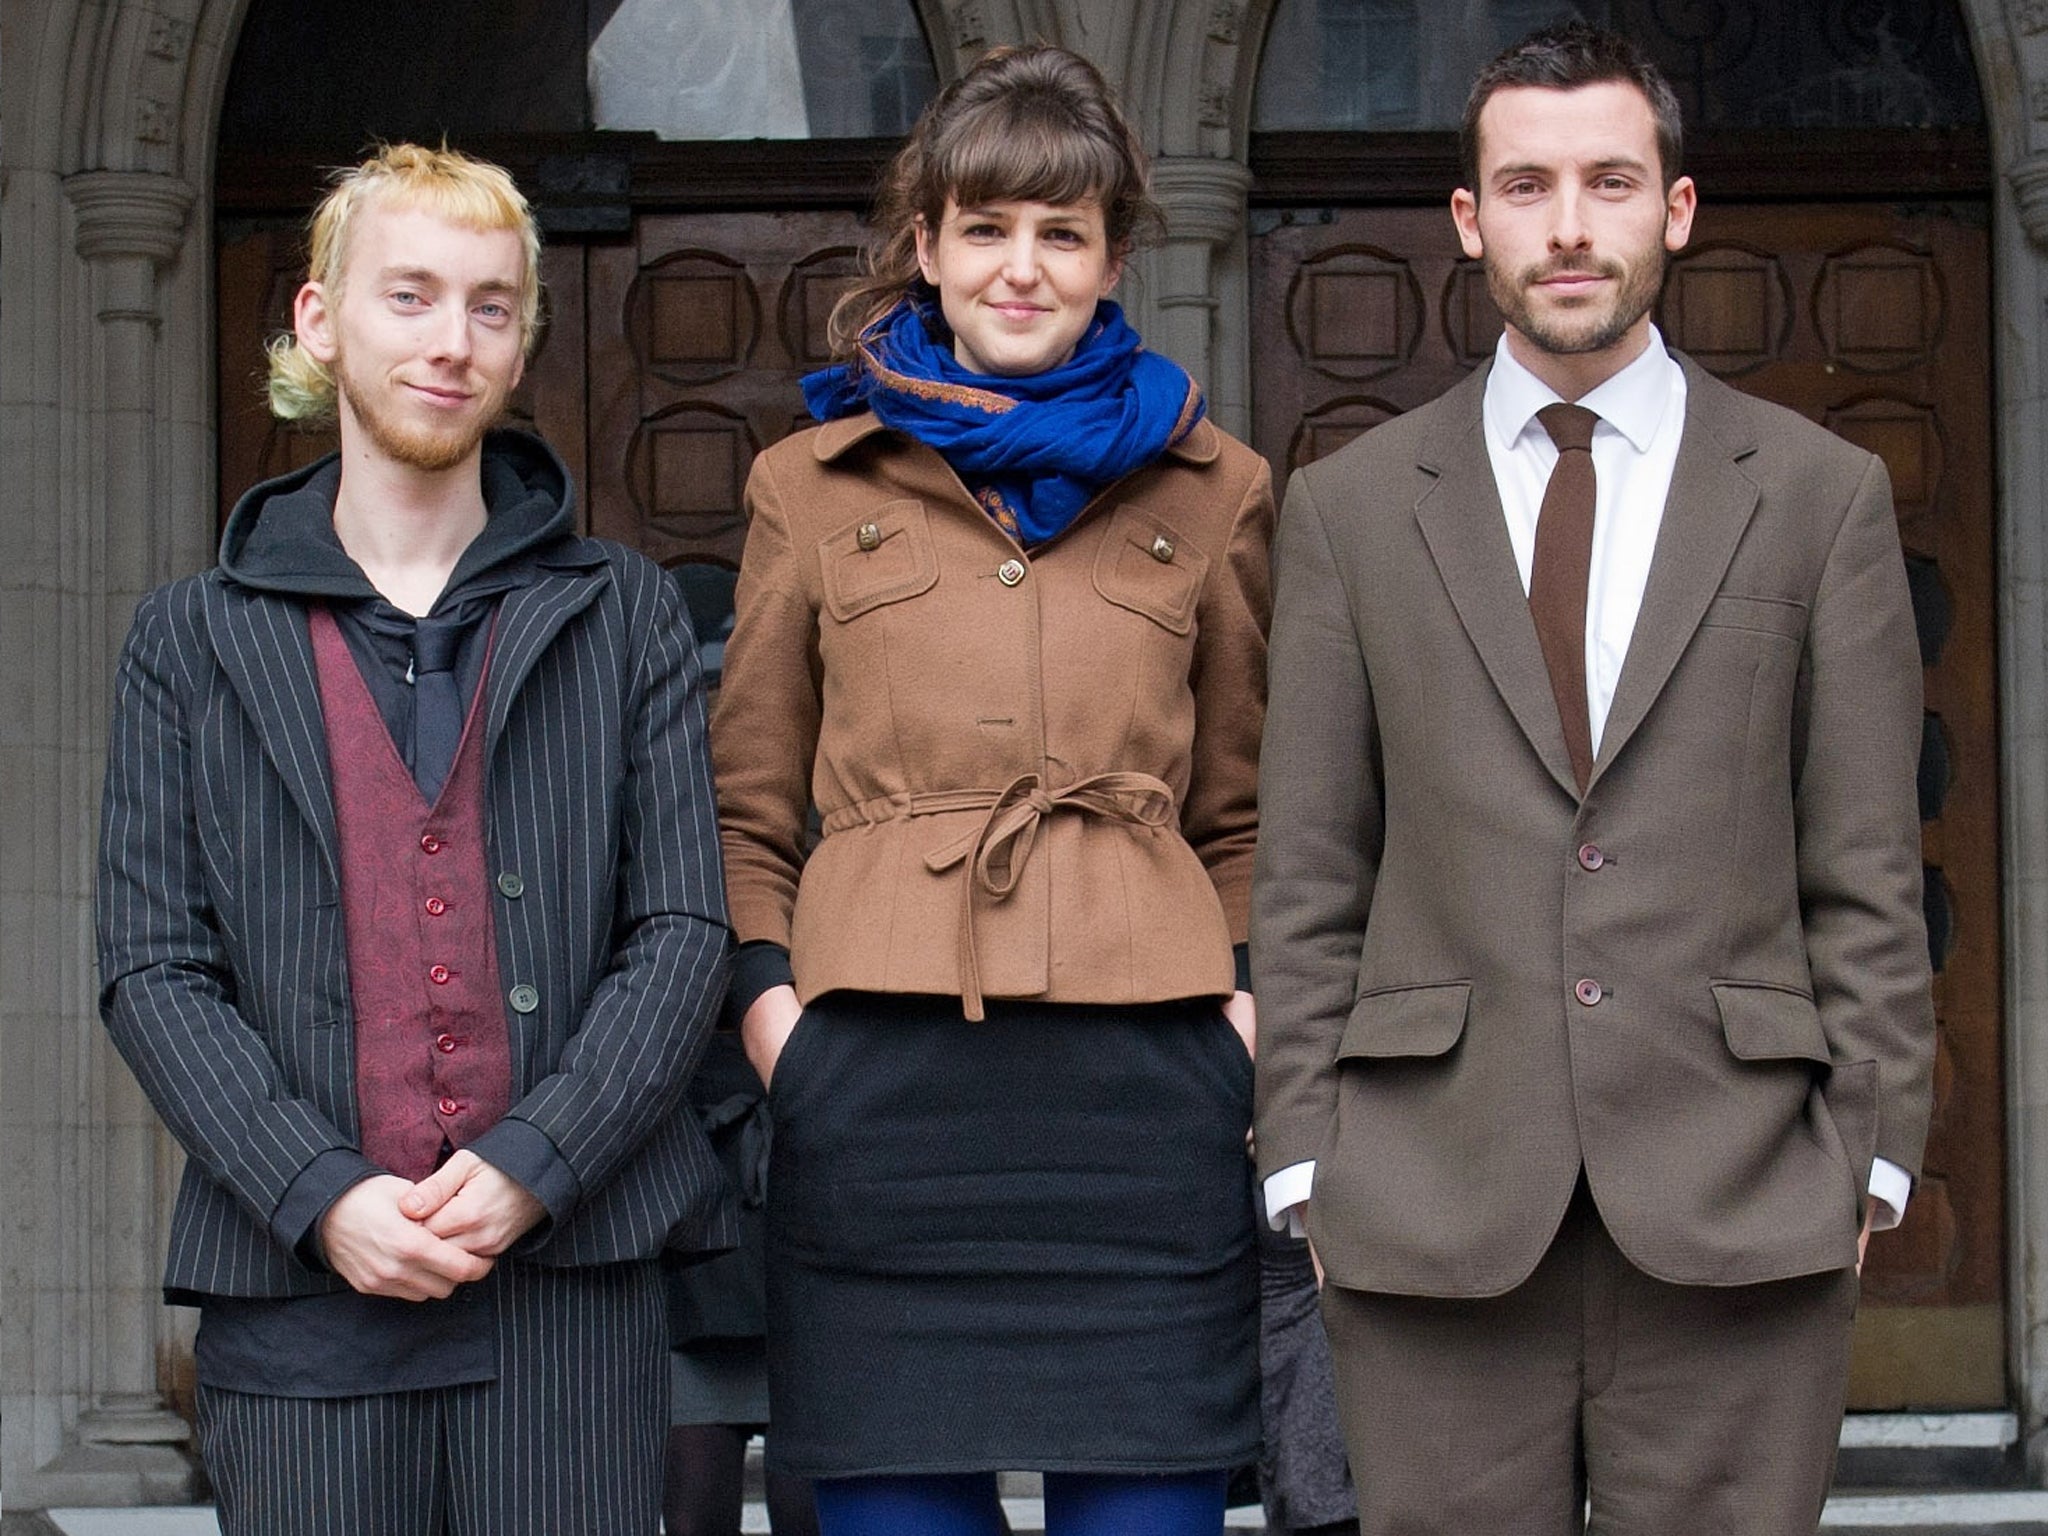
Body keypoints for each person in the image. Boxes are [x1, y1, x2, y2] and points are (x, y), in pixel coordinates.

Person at [1252, 23, 1936, 1535]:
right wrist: (1305, 1161)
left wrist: (1872, 1164)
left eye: (1612, 181)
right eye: (1528, 185)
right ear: (1470, 220)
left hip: (1744, 1190)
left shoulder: (1820, 499)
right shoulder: (1352, 511)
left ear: (1677, 211)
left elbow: (1869, 864)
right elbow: (1309, 873)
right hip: (1428, 1196)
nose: (1570, 226)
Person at [95, 143, 731, 1536]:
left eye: (491, 307)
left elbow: (682, 930)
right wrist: (317, 1195)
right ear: (322, 324)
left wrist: (534, 1167)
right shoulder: (189, 639)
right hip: (300, 1304)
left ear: (521, 345)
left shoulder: (620, 612)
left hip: (570, 1294)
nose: (452, 342)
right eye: (411, 296)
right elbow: (152, 968)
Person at [712, 43, 1272, 1536]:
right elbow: (745, 803)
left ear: (1112, 260)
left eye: (1061, 234)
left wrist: (1242, 1015)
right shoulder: (809, 486)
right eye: (986, 229)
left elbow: (1249, 804)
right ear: (926, 246)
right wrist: (779, 1017)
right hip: (880, 1089)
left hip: (1149, 1098)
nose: (1021, 270)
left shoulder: (1218, 489)